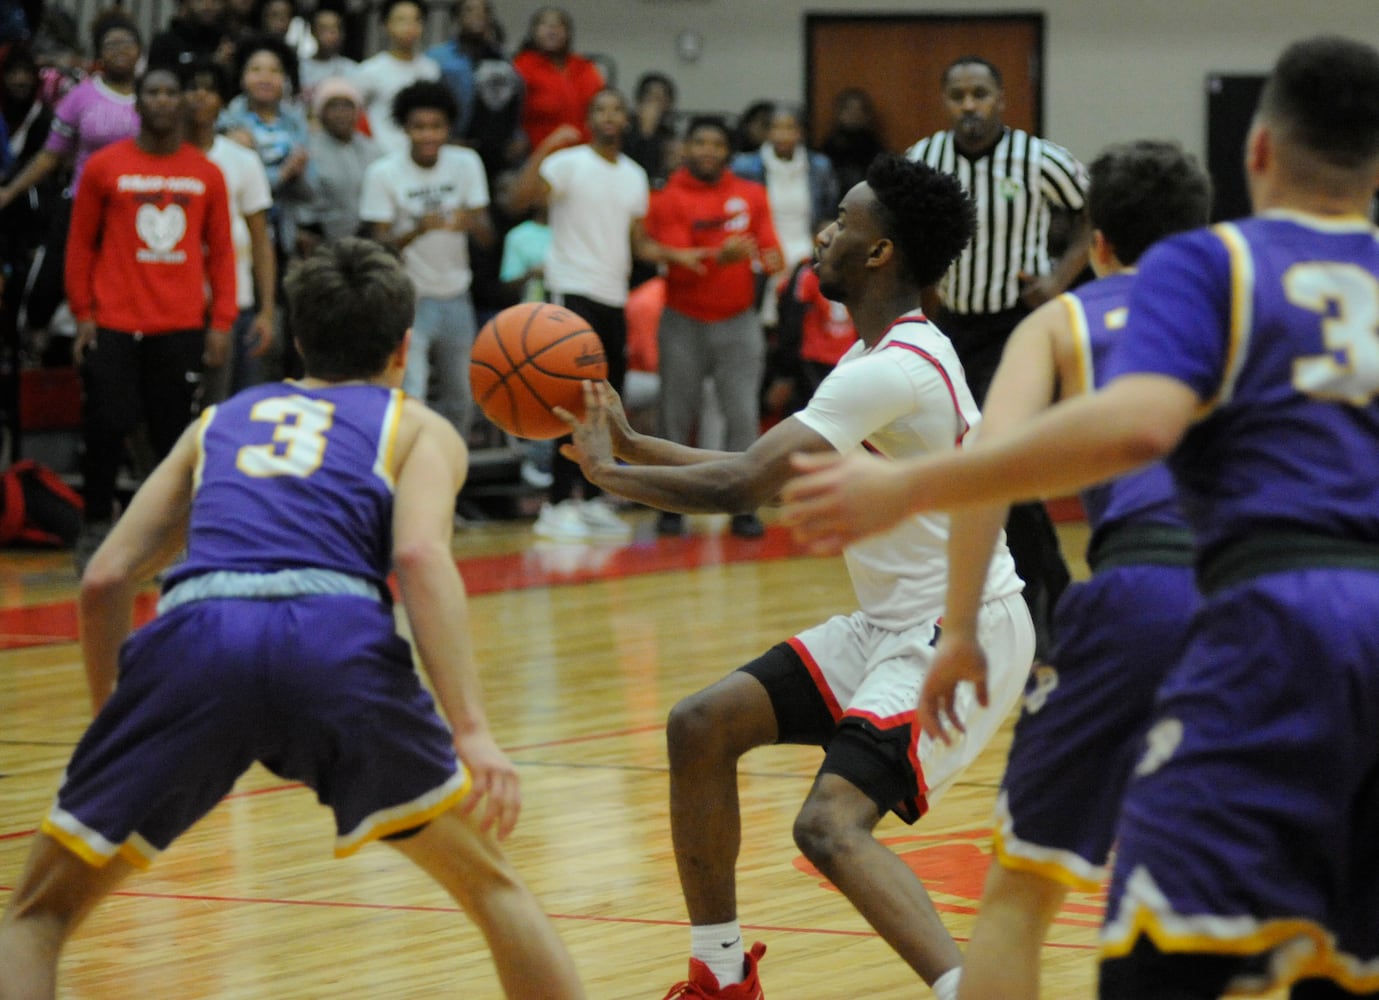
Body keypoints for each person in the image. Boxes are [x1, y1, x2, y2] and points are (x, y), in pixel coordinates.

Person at [783, 35, 1379, 1000]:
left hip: (1227, 601)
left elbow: (1139, 426)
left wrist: (911, 494)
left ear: (1258, 153)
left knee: (1068, 907)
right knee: (1337, 947)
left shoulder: (1203, 271)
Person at [0, 237, 587, 1000]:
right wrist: (470, 728)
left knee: (36, 917)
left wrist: (116, 714)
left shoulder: (220, 421)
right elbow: (417, 556)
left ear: (299, 339)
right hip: (332, 635)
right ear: (403, 347)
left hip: (197, 633)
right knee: (494, 889)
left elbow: (106, 577)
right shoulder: (416, 428)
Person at [559, 154, 1035, 1000]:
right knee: (699, 725)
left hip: (961, 628)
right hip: (891, 624)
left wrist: (611, 477)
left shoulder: (893, 367)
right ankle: (719, 976)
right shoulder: (881, 357)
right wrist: (632, 446)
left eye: (842, 219)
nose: (823, 232)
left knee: (829, 827)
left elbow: (742, 487)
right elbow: (752, 463)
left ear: (880, 251)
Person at [909, 140, 1216, 1000]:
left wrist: (962, 631)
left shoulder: (1066, 319)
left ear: (1099, 243)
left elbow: (988, 467)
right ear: (1205, 231)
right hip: (1284, 597)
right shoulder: (1258, 312)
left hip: (1146, 591)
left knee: (1020, 891)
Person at [906, 55, 1091, 661]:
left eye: (979, 93)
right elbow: (893, 223)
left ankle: (1044, 601)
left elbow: (1097, 211)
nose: (968, 106)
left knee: (998, 462)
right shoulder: (925, 158)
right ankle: (1041, 594)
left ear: (1002, 100)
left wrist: (1060, 276)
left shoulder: (1040, 159)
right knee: (979, 467)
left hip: (1019, 326)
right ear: (945, 102)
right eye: (957, 95)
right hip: (952, 325)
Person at [64, 67, 236, 569]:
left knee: (172, 437)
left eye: (171, 92)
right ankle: (96, 526)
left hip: (180, 324)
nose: (162, 101)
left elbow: (222, 253)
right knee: (105, 426)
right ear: (137, 104)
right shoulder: (104, 166)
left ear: (184, 103)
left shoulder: (206, 173)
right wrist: (83, 313)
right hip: (114, 321)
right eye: (152, 93)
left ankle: (167, 539)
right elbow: (80, 245)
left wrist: (221, 320)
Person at [506, 88, 672, 541]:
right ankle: (558, 504)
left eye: (618, 109)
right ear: (589, 118)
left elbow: (640, 245)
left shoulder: (636, 175)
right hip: (571, 290)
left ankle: (595, 496)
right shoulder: (568, 162)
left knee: (604, 400)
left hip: (613, 295)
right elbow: (519, 199)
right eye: (601, 109)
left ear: (627, 119)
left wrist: (690, 255)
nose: (610, 116)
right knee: (569, 399)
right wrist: (545, 148)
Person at [643, 115, 785, 538]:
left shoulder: (752, 193)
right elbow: (678, 265)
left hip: (739, 320)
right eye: (700, 142)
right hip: (683, 319)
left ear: (728, 152)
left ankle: (743, 506)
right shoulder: (668, 198)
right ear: (686, 148)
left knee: (742, 415)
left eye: (716, 143)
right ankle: (670, 506)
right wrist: (718, 257)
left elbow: (770, 246)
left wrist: (773, 260)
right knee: (674, 416)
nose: (708, 150)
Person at [361, 79, 494, 443]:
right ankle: (406, 476)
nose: (428, 135)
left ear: (448, 128)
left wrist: (470, 222)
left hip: (457, 296)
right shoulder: (384, 172)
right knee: (411, 394)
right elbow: (378, 244)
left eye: (436, 127)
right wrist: (417, 229)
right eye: (419, 127)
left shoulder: (466, 163)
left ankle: (449, 474)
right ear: (405, 129)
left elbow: (488, 235)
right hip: (409, 299)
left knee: (461, 397)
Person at [184, 56, 276, 402]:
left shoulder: (242, 160)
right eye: (191, 89)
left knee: (235, 410)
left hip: (237, 304)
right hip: (177, 308)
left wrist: (267, 310)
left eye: (209, 90)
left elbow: (260, 242)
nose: (200, 97)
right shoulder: (162, 161)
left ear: (223, 101)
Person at [428, 0, 525, 178]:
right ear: (456, 17)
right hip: (460, 145)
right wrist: (447, 139)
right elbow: (432, 104)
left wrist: (517, 135)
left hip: (500, 150)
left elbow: (514, 98)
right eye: (469, 10)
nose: (478, 15)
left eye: (484, 11)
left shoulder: (502, 55)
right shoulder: (439, 57)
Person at [297, 76, 378, 248]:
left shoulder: (372, 148)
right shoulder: (308, 149)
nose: (341, 113)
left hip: (366, 241)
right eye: (333, 106)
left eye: (348, 106)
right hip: (320, 242)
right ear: (321, 112)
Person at [352, 0, 440, 157]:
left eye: (416, 19)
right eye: (401, 20)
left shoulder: (431, 69)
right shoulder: (370, 70)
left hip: (420, 156)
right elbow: (353, 113)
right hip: (380, 155)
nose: (409, 27)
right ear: (386, 25)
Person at [512, 6, 603, 152]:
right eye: (545, 24)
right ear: (533, 32)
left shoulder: (585, 67)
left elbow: (600, 107)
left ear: (568, 32)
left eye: (559, 24)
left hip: (584, 153)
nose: (552, 29)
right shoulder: (521, 66)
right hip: (537, 154)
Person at [821, 87, 887, 198]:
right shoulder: (827, 150)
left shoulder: (876, 150)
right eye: (849, 109)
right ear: (838, 113)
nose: (854, 115)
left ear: (867, 115)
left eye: (859, 110)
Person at [296, 6, 356, 109]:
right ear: (312, 31)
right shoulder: (298, 67)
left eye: (334, 28)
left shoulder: (352, 70)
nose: (329, 34)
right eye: (323, 28)